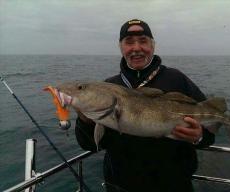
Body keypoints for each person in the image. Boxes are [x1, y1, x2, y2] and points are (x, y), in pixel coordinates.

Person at [75, 19, 215, 192]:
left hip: (174, 185)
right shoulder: (108, 87)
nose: (136, 48)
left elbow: (210, 132)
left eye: (143, 41)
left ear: (153, 45)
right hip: (120, 186)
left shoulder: (177, 79)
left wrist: (199, 136)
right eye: (129, 42)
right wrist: (85, 119)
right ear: (121, 47)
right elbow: (90, 145)